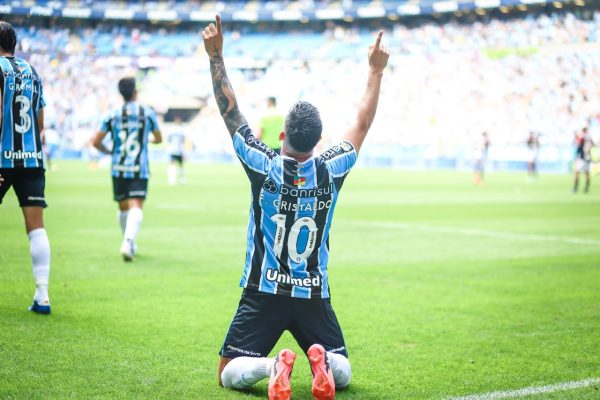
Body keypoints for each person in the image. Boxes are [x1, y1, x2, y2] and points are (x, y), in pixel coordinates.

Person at [201, 15, 388, 400]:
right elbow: (362, 123)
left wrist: (216, 56)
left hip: (263, 290)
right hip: (313, 293)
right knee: (344, 371)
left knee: (226, 373)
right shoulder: (331, 169)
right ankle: (322, 363)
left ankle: (272, 366)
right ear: (319, 141)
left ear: (283, 135)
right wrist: (375, 71)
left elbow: (230, 112)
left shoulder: (262, 164)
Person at [0, 21, 52, 314]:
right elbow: (40, 123)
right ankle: (42, 295)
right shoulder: (33, 71)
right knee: (36, 228)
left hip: (1, 159)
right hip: (32, 159)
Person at [92, 77, 162, 261]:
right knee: (136, 205)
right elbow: (159, 138)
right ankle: (128, 241)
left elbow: (96, 142)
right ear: (135, 92)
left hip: (118, 167)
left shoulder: (112, 114)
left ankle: (128, 242)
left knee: (123, 207)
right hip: (139, 168)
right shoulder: (147, 113)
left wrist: (111, 152)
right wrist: (147, 139)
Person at [167, 116, 187, 185]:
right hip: (179, 150)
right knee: (180, 165)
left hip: (173, 150)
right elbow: (183, 141)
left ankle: (172, 180)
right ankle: (181, 180)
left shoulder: (171, 129)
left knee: (172, 164)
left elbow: (168, 140)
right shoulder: (182, 130)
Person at [573, 126, 593, 193]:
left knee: (577, 172)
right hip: (588, 158)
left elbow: (578, 143)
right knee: (586, 173)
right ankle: (586, 188)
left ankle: (575, 188)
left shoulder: (582, 137)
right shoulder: (589, 138)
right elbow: (592, 145)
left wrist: (576, 136)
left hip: (582, 157)